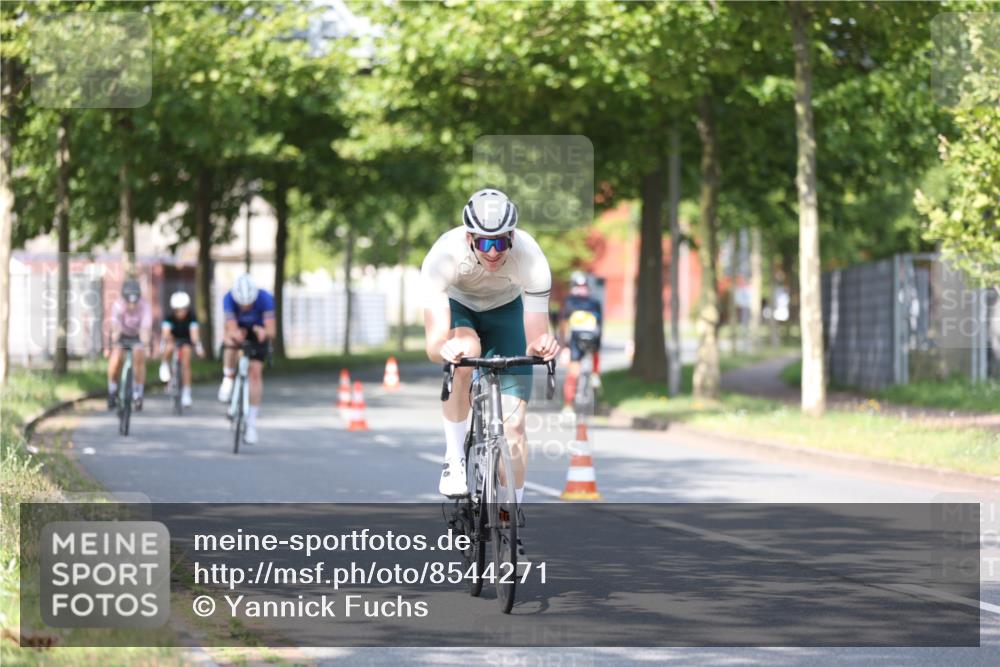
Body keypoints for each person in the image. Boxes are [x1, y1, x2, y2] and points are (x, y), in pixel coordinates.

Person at [421, 188, 560, 501]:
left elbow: (536, 338)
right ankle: (454, 458)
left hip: (506, 309)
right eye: (485, 242)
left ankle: (511, 517)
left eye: (500, 242)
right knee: (466, 351)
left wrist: (543, 346)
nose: (493, 252)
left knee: (515, 428)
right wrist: (447, 349)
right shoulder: (443, 257)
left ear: (512, 236)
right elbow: (434, 344)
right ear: (470, 237)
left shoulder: (531, 258)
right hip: (458, 305)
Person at [217, 273, 274, 444]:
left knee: (255, 373)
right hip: (238, 331)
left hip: (258, 333)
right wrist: (236, 334)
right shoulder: (228, 298)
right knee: (230, 343)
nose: (245, 307)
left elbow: (272, 330)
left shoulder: (265, 298)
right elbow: (231, 327)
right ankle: (228, 377)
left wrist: (264, 332)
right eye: (242, 304)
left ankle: (251, 424)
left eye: (249, 304)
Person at [558, 271, 603, 417]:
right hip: (584, 342)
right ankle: (595, 376)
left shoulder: (572, 301)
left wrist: (563, 346)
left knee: (577, 373)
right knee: (576, 371)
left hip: (582, 341)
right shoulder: (592, 302)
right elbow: (600, 327)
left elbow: (564, 326)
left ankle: (570, 405)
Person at [106, 278, 152, 411]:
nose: (132, 306)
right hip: (122, 335)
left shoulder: (145, 306)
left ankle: (138, 393)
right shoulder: (118, 305)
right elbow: (115, 327)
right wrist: (114, 342)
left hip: (138, 336)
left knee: (139, 357)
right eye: (129, 302)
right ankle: (112, 391)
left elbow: (146, 329)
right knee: (115, 360)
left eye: (135, 302)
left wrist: (146, 346)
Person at [158, 291, 205, 407]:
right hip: (173, 340)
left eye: (183, 309)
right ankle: (164, 364)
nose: (181, 312)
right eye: (178, 310)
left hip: (186, 340)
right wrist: (164, 345)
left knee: (186, 360)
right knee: (169, 346)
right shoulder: (169, 317)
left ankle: (186, 393)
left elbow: (194, 335)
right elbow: (165, 334)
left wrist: (199, 348)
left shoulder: (192, 317)